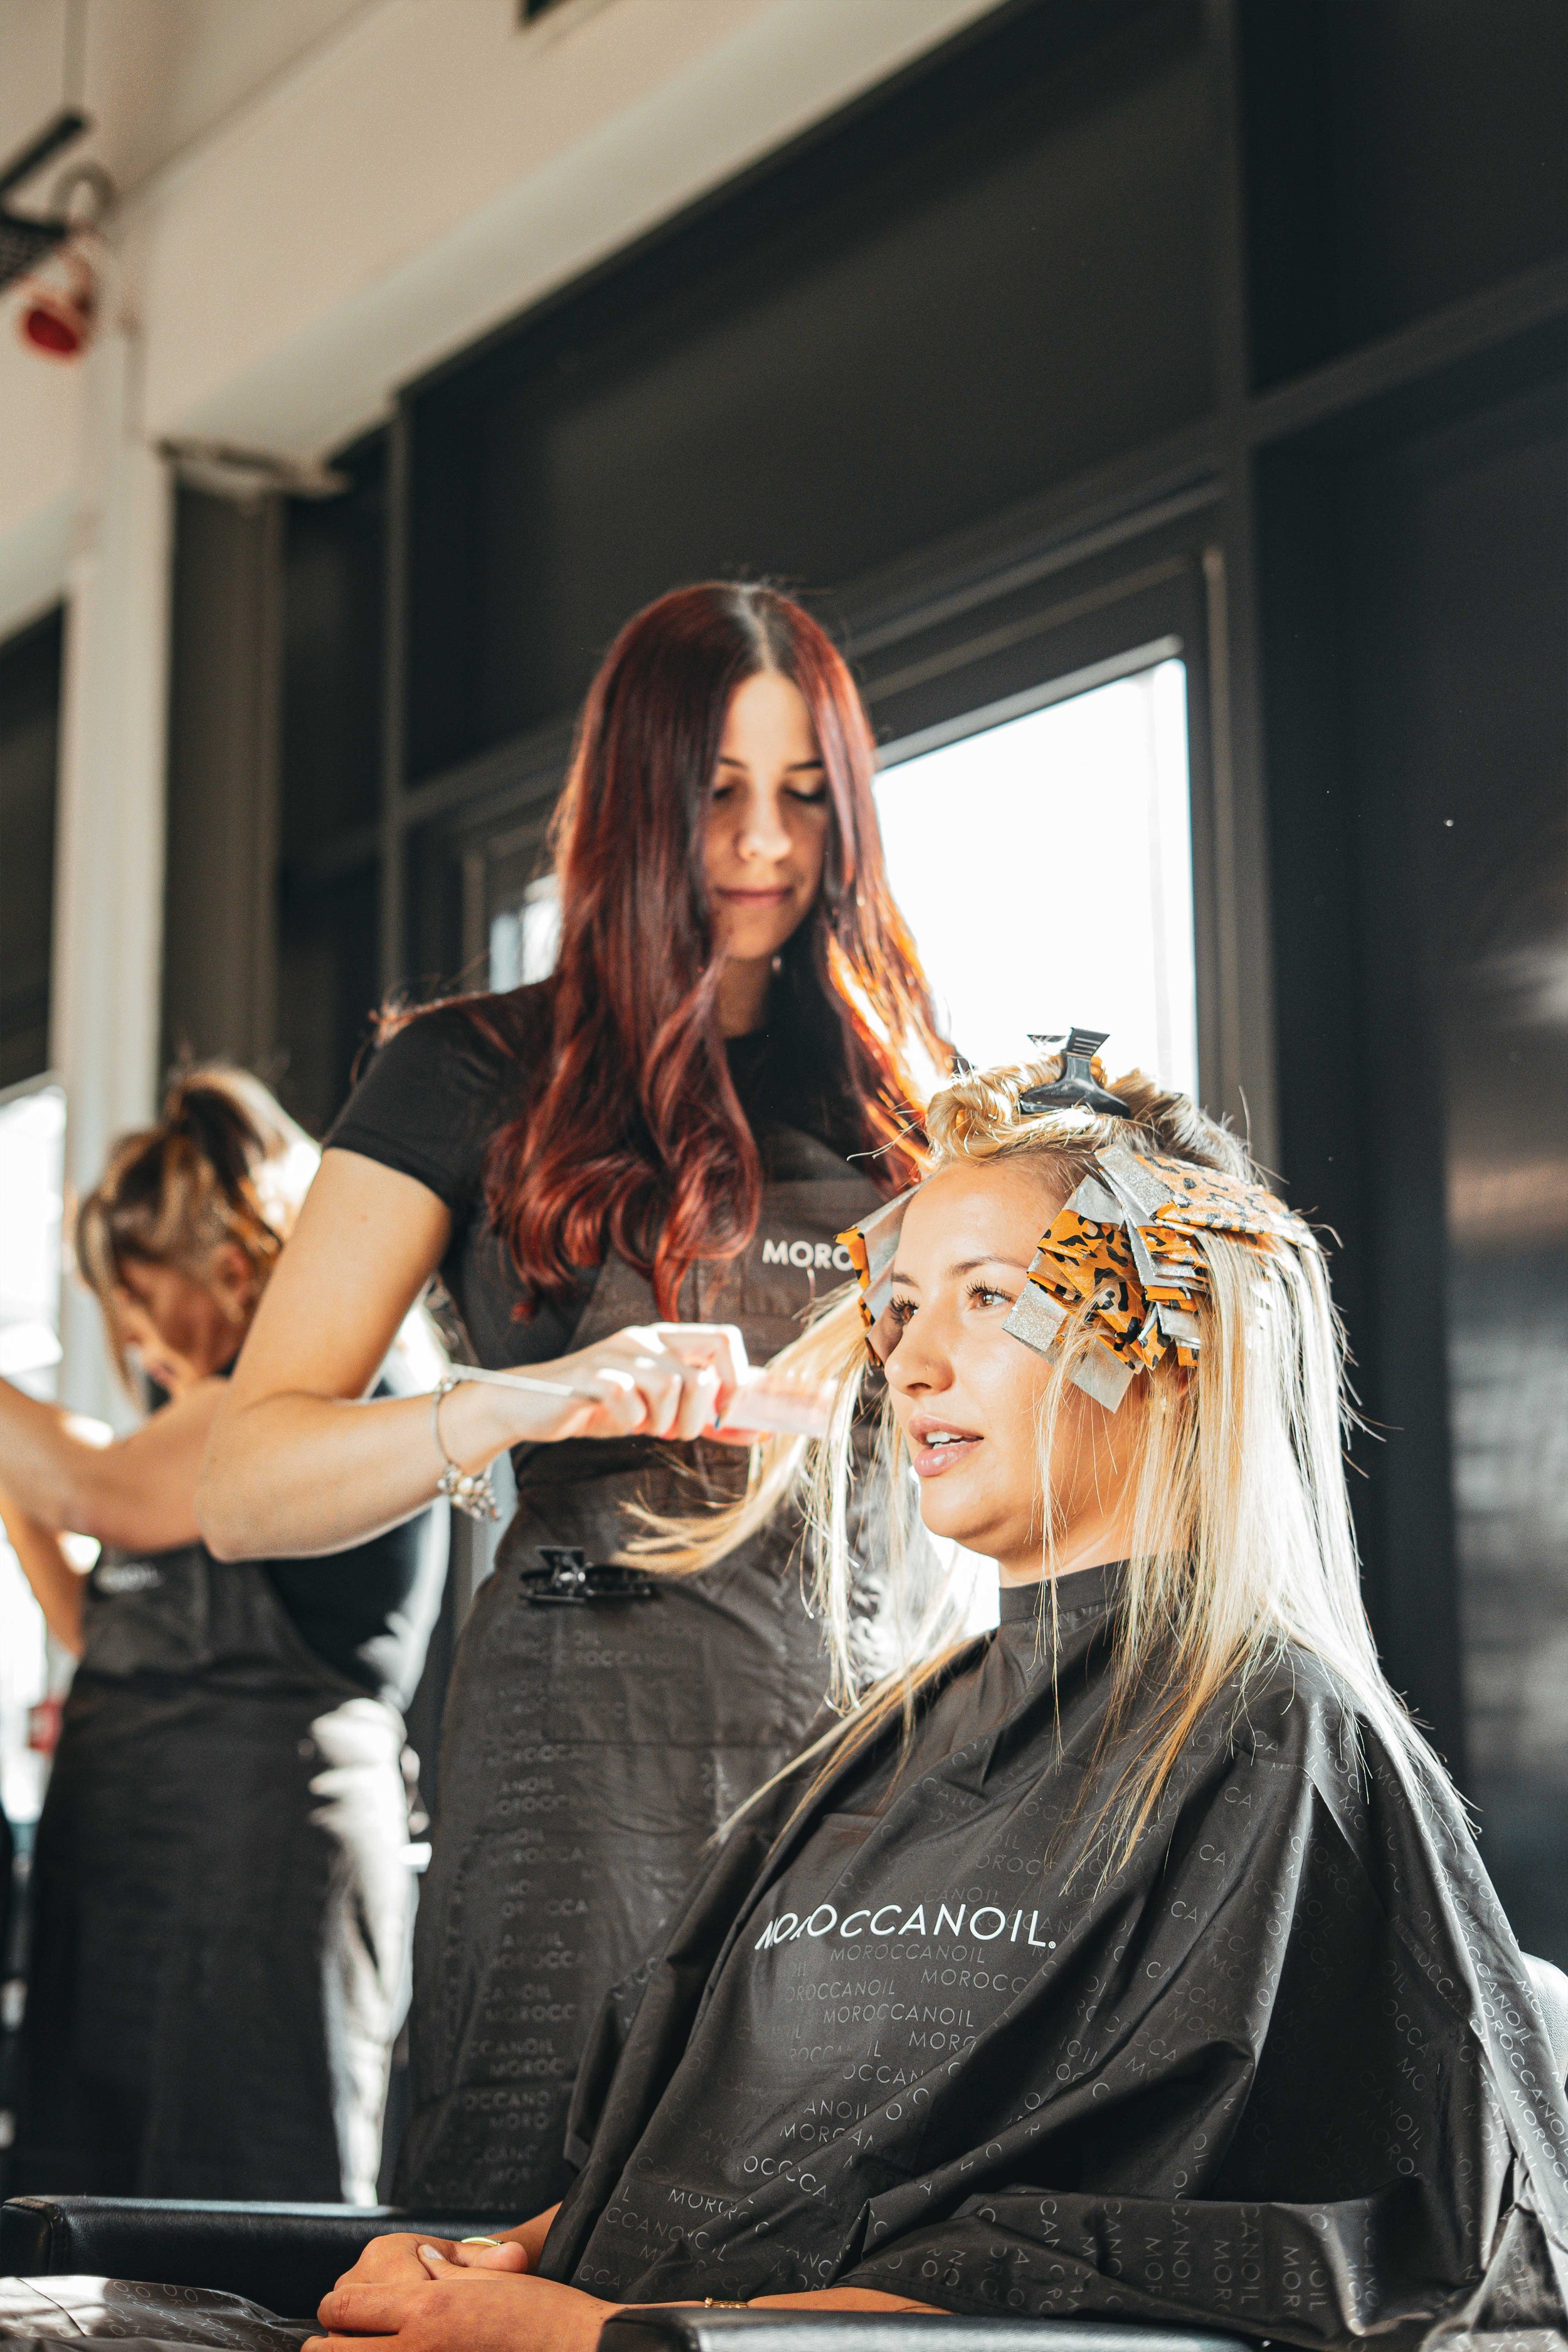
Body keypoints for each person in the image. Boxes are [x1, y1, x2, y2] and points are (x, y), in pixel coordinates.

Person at [301, 1041, 1568, 2352]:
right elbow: (715, 2153)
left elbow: (1257, 2256)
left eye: (989, 1298)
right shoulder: (863, 1760)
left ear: (1164, 1347)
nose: (907, 1364)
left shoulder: (1276, 1747)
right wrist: (511, 2258)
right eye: (900, 1306)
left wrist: (571, 2335)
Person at [198, 582, 946, 2213]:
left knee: (824, 2251)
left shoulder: (911, 1109)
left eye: (800, 793)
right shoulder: (471, 1072)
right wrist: (525, 1402)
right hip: (572, 1780)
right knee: (528, 2228)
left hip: (854, 1760)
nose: (760, 842)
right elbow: (246, 1482)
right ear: (632, 800)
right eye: (715, 793)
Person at [0, 1069, 447, 2202]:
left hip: (259, 1875)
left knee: (246, 2214)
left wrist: (49, 1472)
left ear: (236, 1272)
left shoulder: (331, 1389)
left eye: (147, 1304)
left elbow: (98, 1490)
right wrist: (25, 1486)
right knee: (82, 2222)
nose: (137, 1340)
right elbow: (93, 1619)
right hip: (117, 1869)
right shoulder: (191, 1425)